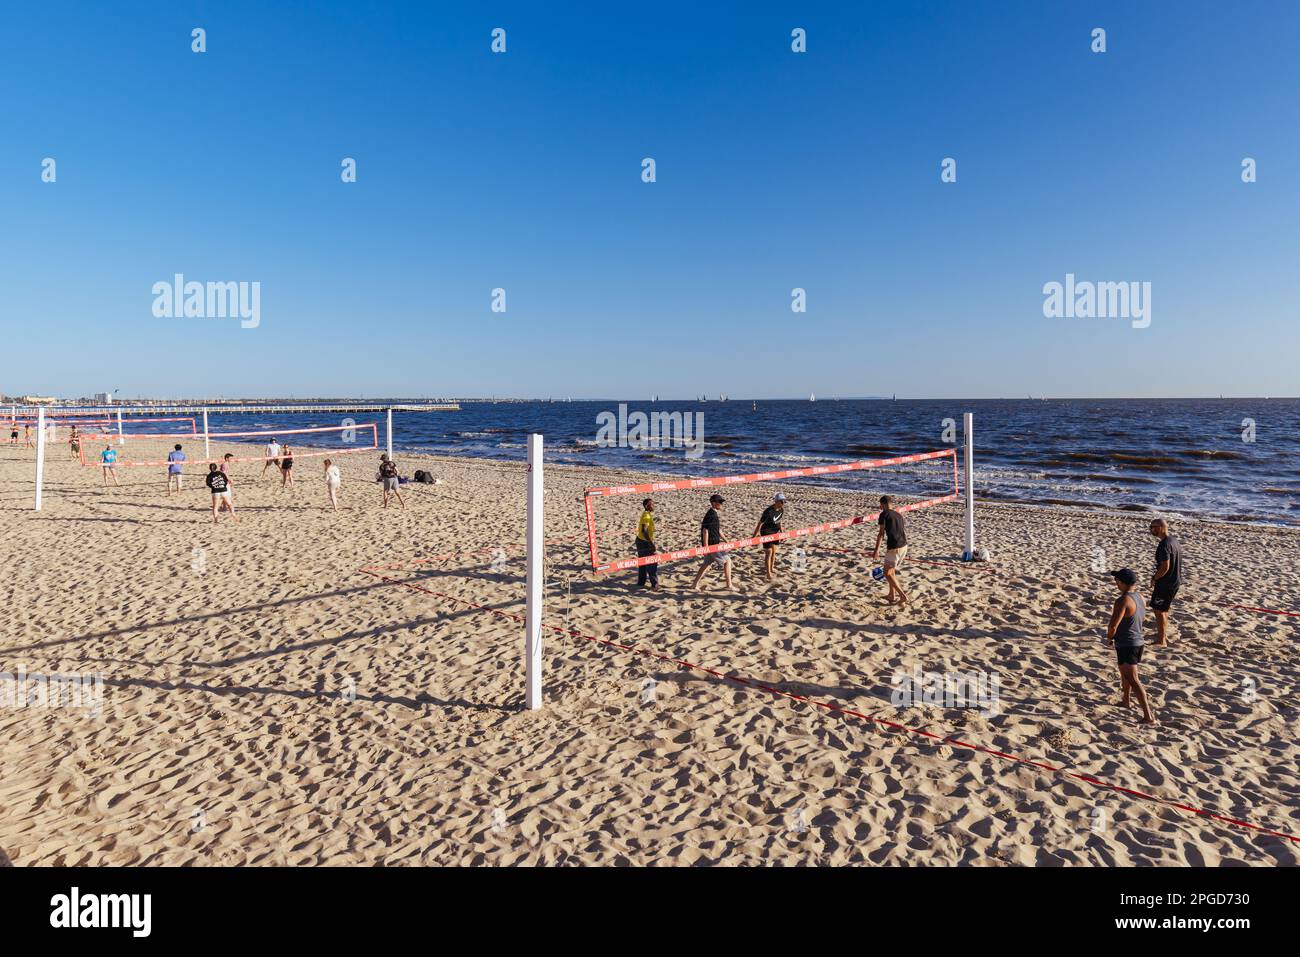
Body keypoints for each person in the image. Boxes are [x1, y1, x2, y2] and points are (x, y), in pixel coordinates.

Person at [1106, 568, 1154, 724]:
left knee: (1133, 679)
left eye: (1117, 581)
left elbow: (1113, 625)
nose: (1115, 583)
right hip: (1138, 641)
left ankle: (1148, 716)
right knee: (1125, 674)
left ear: (1121, 583)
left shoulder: (1123, 600)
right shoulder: (1140, 597)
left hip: (1128, 644)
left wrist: (1109, 638)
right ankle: (1125, 701)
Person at [1148, 519, 1184, 646]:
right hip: (1174, 581)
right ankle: (1163, 636)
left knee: (1159, 610)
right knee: (1163, 609)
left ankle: (1161, 640)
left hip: (1166, 583)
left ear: (1161, 527)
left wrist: (1155, 578)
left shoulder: (1164, 544)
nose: (1151, 529)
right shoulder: (1174, 541)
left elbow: (1165, 567)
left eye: (1153, 527)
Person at [690, 494, 734, 590]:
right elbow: (705, 530)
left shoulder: (714, 513)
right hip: (712, 545)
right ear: (714, 503)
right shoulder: (711, 515)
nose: (721, 504)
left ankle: (694, 584)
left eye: (722, 502)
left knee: (706, 565)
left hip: (712, 544)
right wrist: (706, 547)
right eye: (720, 502)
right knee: (727, 561)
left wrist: (727, 541)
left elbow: (718, 530)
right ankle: (729, 585)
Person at [871, 495, 909, 605]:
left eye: (880, 505)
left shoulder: (883, 514)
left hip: (894, 547)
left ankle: (902, 596)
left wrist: (876, 550)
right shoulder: (898, 514)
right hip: (904, 546)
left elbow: (881, 534)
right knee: (891, 572)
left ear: (882, 504)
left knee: (887, 573)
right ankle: (892, 595)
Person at [754, 493, 785, 582]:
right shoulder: (768, 511)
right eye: (781, 501)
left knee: (774, 551)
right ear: (776, 501)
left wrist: (782, 533)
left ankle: (771, 568)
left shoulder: (781, 509)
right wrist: (754, 536)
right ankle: (768, 573)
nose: (783, 502)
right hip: (766, 532)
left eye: (783, 501)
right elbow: (760, 523)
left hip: (775, 532)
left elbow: (779, 521)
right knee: (769, 552)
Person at [635, 497, 659, 589]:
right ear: (646, 506)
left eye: (653, 504)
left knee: (643, 563)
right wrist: (651, 543)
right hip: (644, 542)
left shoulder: (647, 513)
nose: (653, 506)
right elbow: (644, 530)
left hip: (640, 540)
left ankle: (641, 583)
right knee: (652, 562)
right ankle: (655, 584)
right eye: (651, 504)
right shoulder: (646, 515)